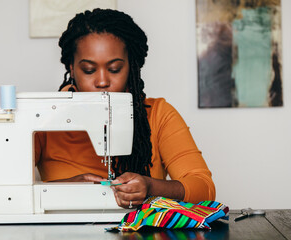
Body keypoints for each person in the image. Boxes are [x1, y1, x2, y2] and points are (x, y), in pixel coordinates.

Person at [34, 8, 215, 209]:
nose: (102, 81)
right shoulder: (43, 119)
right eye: (89, 70)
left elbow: (204, 189)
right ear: (71, 68)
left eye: (114, 69)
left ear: (131, 67)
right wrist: (67, 188)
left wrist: (150, 186)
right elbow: (7, 192)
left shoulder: (158, 115)